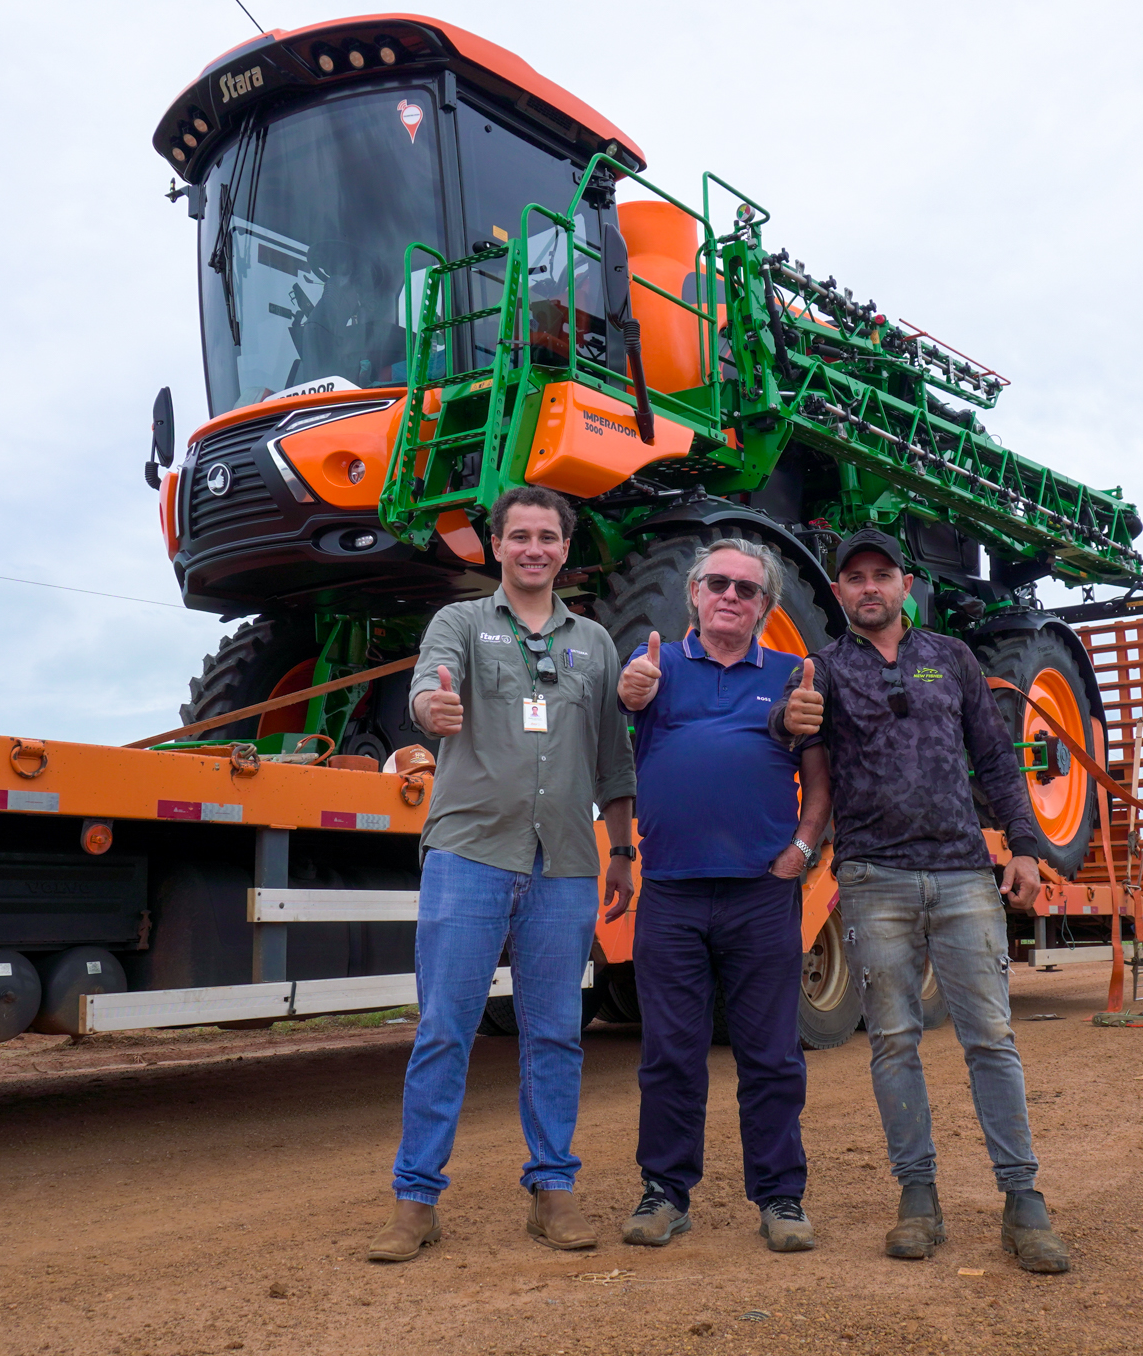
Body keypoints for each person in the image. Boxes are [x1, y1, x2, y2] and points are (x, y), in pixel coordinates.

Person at [770, 527, 1071, 1274]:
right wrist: (786, 720)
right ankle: (918, 1196)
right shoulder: (824, 670)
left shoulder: (952, 657)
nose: (869, 587)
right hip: (874, 879)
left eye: (882, 574)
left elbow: (995, 759)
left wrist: (1027, 846)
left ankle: (1023, 1199)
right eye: (855, 578)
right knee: (894, 1039)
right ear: (838, 592)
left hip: (966, 874)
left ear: (906, 585)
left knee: (990, 1039)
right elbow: (787, 737)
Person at [365, 486, 637, 1263]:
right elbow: (430, 687)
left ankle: (553, 1190)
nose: (533, 549)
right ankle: (415, 1202)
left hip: (566, 865)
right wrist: (431, 710)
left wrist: (620, 850)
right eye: (519, 536)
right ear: (496, 545)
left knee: (554, 1032)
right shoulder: (459, 624)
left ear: (563, 548)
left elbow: (613, 762)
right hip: (469, 854)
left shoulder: (596, 642)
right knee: (444, 1030)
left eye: (547, 536)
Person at [611, 537, 832, 1254]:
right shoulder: (657, 669)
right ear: (695, 595)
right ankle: (665, 1193)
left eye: (747, 588)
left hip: (760, 896)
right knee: (670, 1051)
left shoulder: (791, 675)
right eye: (718, 583)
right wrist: (628, 692)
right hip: (671, 891)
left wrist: (799, 853)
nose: (731, 596)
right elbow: (618, 721)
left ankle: (781, 1196)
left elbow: (820, 778)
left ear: (766, 606)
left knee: (770, 1052)